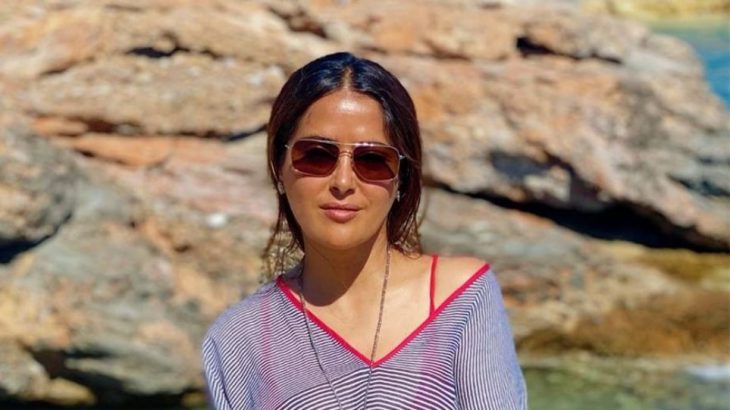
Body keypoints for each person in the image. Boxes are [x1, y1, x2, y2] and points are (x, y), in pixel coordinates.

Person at [202, 52, 527, 409]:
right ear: (279, 168)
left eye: (372, 160)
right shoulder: (237, 341)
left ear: (402, 178)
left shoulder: (462, 300)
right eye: (317, 155)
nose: (343, 182)